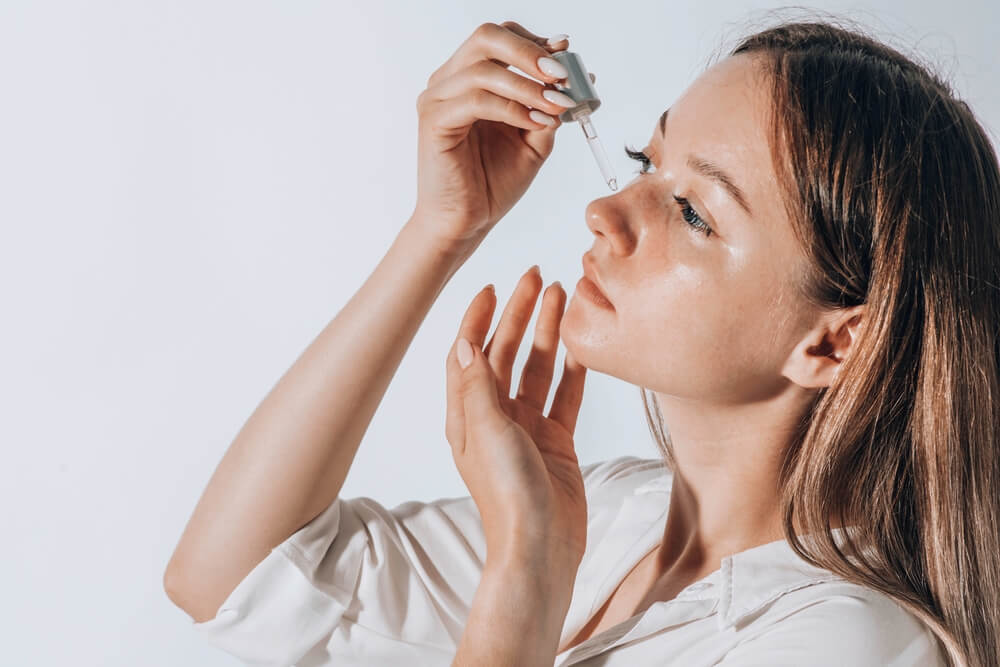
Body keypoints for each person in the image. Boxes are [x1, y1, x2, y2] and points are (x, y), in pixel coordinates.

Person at [163, 14, 999, 667]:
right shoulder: (616, 516)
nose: (607, 212)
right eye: (646, 160)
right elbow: (230, 578)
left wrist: (526, 567)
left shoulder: (849, 645)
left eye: (695, 213)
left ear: (833, 343)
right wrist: (443, 228)